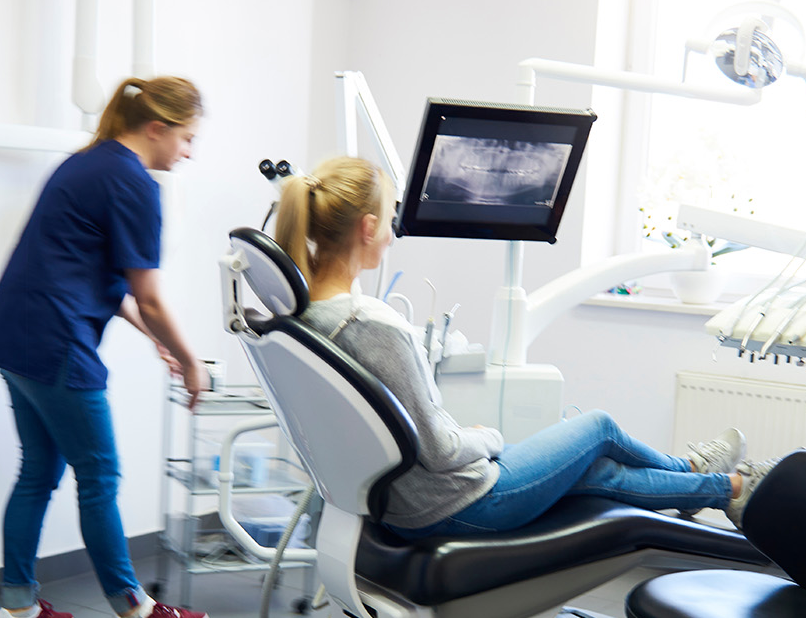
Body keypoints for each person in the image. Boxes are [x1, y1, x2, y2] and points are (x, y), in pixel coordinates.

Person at [275, 157, 771, 538]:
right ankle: (700, 474)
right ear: (366, 228)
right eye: (387, 219)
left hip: (405, 500)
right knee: (596, 427)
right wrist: (489, 437)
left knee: (598, 471)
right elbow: (443, 450)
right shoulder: (373, 325)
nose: (391, 233)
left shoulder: (305, 318)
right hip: (457, 501)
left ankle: (723, 489)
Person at [0, 77, 210, 618]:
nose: (189, 152)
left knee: (38, 472)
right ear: (156, 128)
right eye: (187, 138)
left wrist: (155, 342)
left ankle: (18, 606)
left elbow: (93, 274)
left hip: (12, 333)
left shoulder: (87, 161)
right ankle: (136, 609)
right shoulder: (135, 184)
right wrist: (192, 361)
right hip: (55, 342)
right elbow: (147, 295)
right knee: (99, 475)